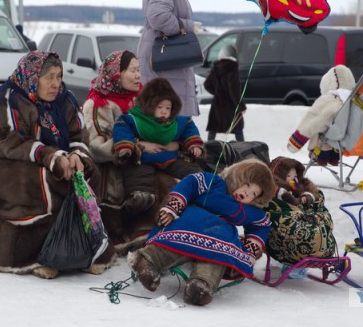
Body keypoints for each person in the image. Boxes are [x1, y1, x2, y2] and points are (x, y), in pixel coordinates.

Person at [0, 51, 103, 279]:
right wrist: (53, 157)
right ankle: (36, 256)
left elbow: (77, 136)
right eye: (49, 77)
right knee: (37, 184)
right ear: (32, 78)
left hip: (41, 157)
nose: (55, 84)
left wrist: (76, 156)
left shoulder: (65, 100)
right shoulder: (7, 99)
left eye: (59, 76)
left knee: (89, 174)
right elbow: (8, 143)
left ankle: (80, 249)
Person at [128, 159, 276, 306]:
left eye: (254, 193)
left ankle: (201, 285)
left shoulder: (247, 210)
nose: (246, 192)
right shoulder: (215, 183)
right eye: (247, 184)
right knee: (175, 244)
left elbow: (261, 225)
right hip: (190, 224)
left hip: (220, 239)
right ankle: (147, 261)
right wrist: (173, 206)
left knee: (219, 257)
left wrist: (250, 250)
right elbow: (190, 183)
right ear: (239, 177)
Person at [82, 50, 164, 257]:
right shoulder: (98, 103)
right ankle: (119, 232)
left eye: (140, 70)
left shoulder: (141, 98)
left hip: (144, 160)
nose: (139, 76)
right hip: (112, 164)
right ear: (116, 74)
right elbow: (97, 145)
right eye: (133, 71)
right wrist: (137, 146)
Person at [113, 78, 205, 212]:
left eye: (168, 108)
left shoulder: (176, 121)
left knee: (191, 170)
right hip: (144, 158)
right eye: (160, 107)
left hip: (169, 157)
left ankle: (202, 184)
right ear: (149, 105)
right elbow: (122, 130)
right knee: (139, 175)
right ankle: (140, 197)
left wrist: (194, 145)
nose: (164, 111)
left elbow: (189, 128)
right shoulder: (134, 119)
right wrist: (126, 147)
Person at [138, 0, 200, 116]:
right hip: (166, 61)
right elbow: (158, 16)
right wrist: (186, 26)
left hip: (167, 59)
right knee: (167, 121)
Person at [266, 157, 336, 278]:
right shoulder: (277, 192)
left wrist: (306, 198)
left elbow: (315, 201)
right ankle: (283, 263)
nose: (294, 179)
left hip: (309, 228)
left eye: (295, 176)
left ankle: (316, 247)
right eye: (289, 176)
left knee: (319, 219)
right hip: (288, 236)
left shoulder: (300, 189)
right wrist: (290, 199)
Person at [287, 65, 355, 166]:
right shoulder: (354, 101)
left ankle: (322, 156)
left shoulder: (332, 99)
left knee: (320, 125)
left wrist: (295, 142)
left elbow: (312, 121)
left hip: (327, 143)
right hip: (350, 141)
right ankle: (334, 157)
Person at [204, 44, 246, 141]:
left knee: (213, 129)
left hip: (218, 105)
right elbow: (234, 90)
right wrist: (241, 106)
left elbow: (207, 84)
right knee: (238, 129)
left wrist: (218, 93)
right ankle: (243, 149)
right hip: (231, 106)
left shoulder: (216, 67)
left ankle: (209, 149)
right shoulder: (233, 68)